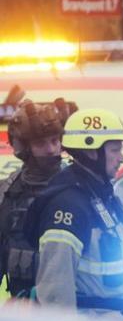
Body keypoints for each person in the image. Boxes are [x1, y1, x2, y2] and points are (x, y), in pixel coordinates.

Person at [27, 107, 123, 321]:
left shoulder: (104, 197)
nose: (121, 158)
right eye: (114, 150)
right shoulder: (67, 207)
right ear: (92, 151)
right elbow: (55, 294)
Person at [0, 98, 72, 300]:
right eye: (41, 143)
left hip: (74, 310)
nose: (51, 149)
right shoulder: (6, 193)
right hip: (24, 313)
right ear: (22, 148)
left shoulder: (80, 187)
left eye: (55, 141)